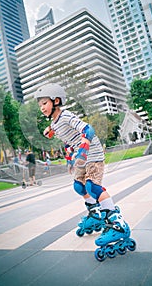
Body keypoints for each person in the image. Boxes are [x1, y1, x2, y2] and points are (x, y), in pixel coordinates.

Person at [35, 83, 133, 254]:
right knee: (79, 187)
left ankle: (118, 224)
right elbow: (62, 132)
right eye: (40, 105)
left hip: (92, 153)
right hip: (80, 158)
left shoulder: (65, 116)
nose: (41, 107)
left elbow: (88, 129)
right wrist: (50, 131)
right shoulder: (56, 121)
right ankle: (95, 214)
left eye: (44, 103)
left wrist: (83, 149)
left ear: (56, 101)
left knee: (92, 187)